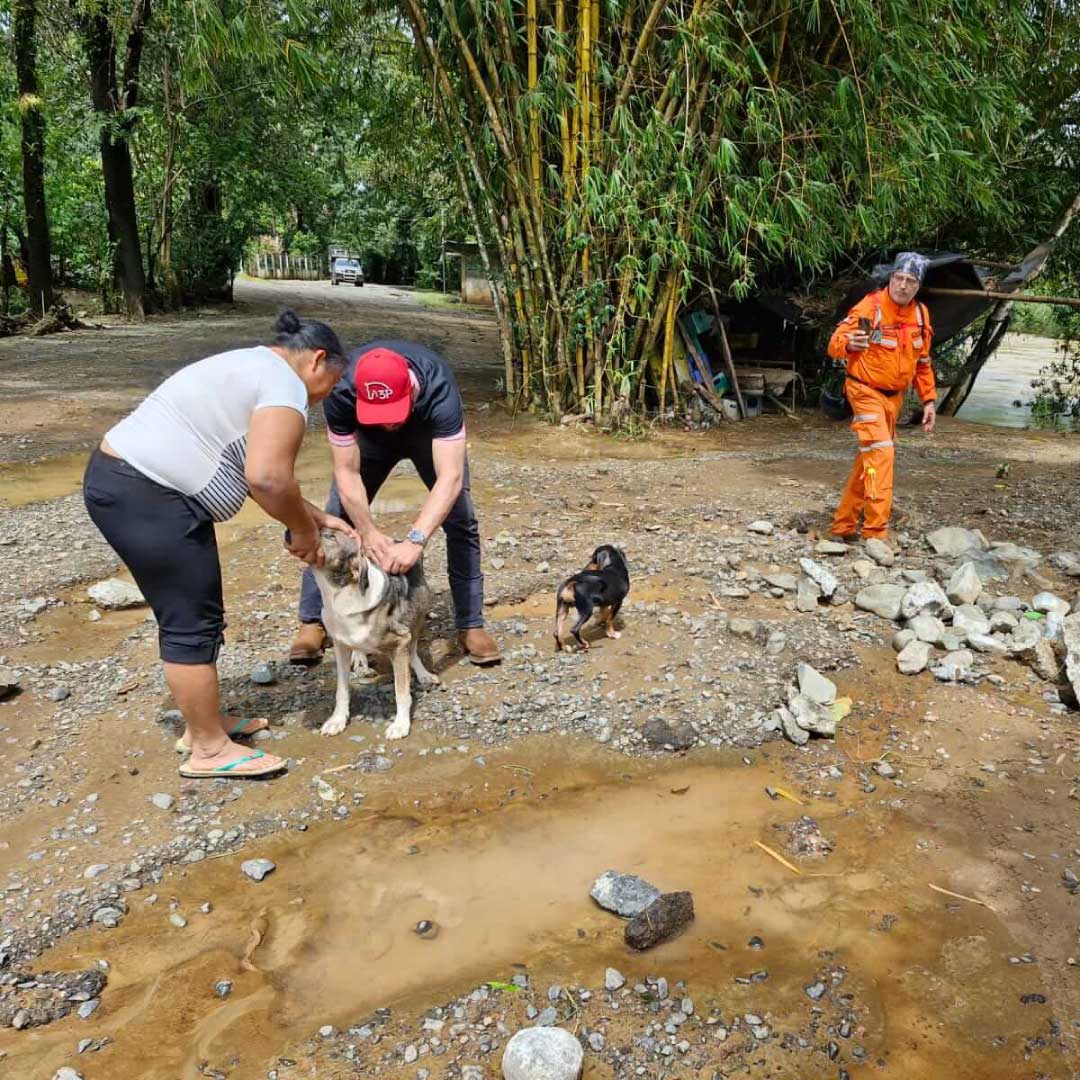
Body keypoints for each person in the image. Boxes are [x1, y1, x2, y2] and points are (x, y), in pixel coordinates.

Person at [83, 310, 355, 779]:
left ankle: (204, 724)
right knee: (189, 618)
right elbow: (268, 477)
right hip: (148, 495)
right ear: (318, 359)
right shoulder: (284, 386)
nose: (329, 393)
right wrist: (305, 533)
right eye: (333, 381)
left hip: (135, 487)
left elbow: (249, 466)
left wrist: (310, 513)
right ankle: (208, 749)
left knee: (198, 609)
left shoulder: (253, 366)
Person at [289, 341, 501, 666]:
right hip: (368, 437)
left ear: (411, 389)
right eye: (383, 414)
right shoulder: (342, 390)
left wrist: (416, 539)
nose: (389, 422)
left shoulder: (438, 387)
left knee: (461, 520)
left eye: (393, 413)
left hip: (423, 430)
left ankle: (470, 624)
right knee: (335, 519)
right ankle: (312, 621)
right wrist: (368, 531)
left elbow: (451, 477)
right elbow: (346, 471)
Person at [828, 252, 936, 542]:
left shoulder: (920, 315)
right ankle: (876, 534)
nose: (902, 285)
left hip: (894, 399)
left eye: (910, 281)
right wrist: (849, 344)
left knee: (871, 460)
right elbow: (835, 343)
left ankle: (843, 525)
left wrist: (929, 400)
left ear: (918, 285)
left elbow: (922, 362)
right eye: (898, 278)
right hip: (864, 391)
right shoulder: (871, 305)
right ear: (891, 278)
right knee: (883, 453)